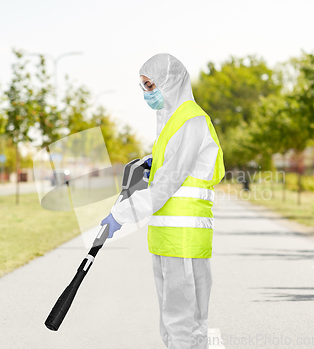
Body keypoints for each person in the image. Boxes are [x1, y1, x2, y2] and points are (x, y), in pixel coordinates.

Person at [101, 53, 224, 349]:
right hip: (167, 239)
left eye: (151, 85)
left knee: (184, 323)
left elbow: (168, 184)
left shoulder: (191, 120)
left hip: (184, 239)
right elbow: (167, 171)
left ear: (170, 83)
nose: (147, 93)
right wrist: (152, 163)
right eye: (143, 87)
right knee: (174, 321)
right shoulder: (173, 124)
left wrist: (121, 214)